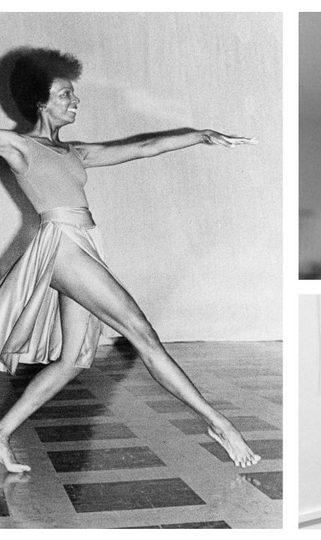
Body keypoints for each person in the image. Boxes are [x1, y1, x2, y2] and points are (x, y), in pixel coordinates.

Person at [0, 48, 261, 472]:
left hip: (85, 243)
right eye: (66, 94)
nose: (75, 102)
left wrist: (200, 135)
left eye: (74, 95)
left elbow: (144, 147)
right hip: (61, 247)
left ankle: (1, 432)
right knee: (142, 333)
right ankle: (219, 423)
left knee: (74, 359)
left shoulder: (74, 153)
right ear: (40, 102)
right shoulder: (18, 147)